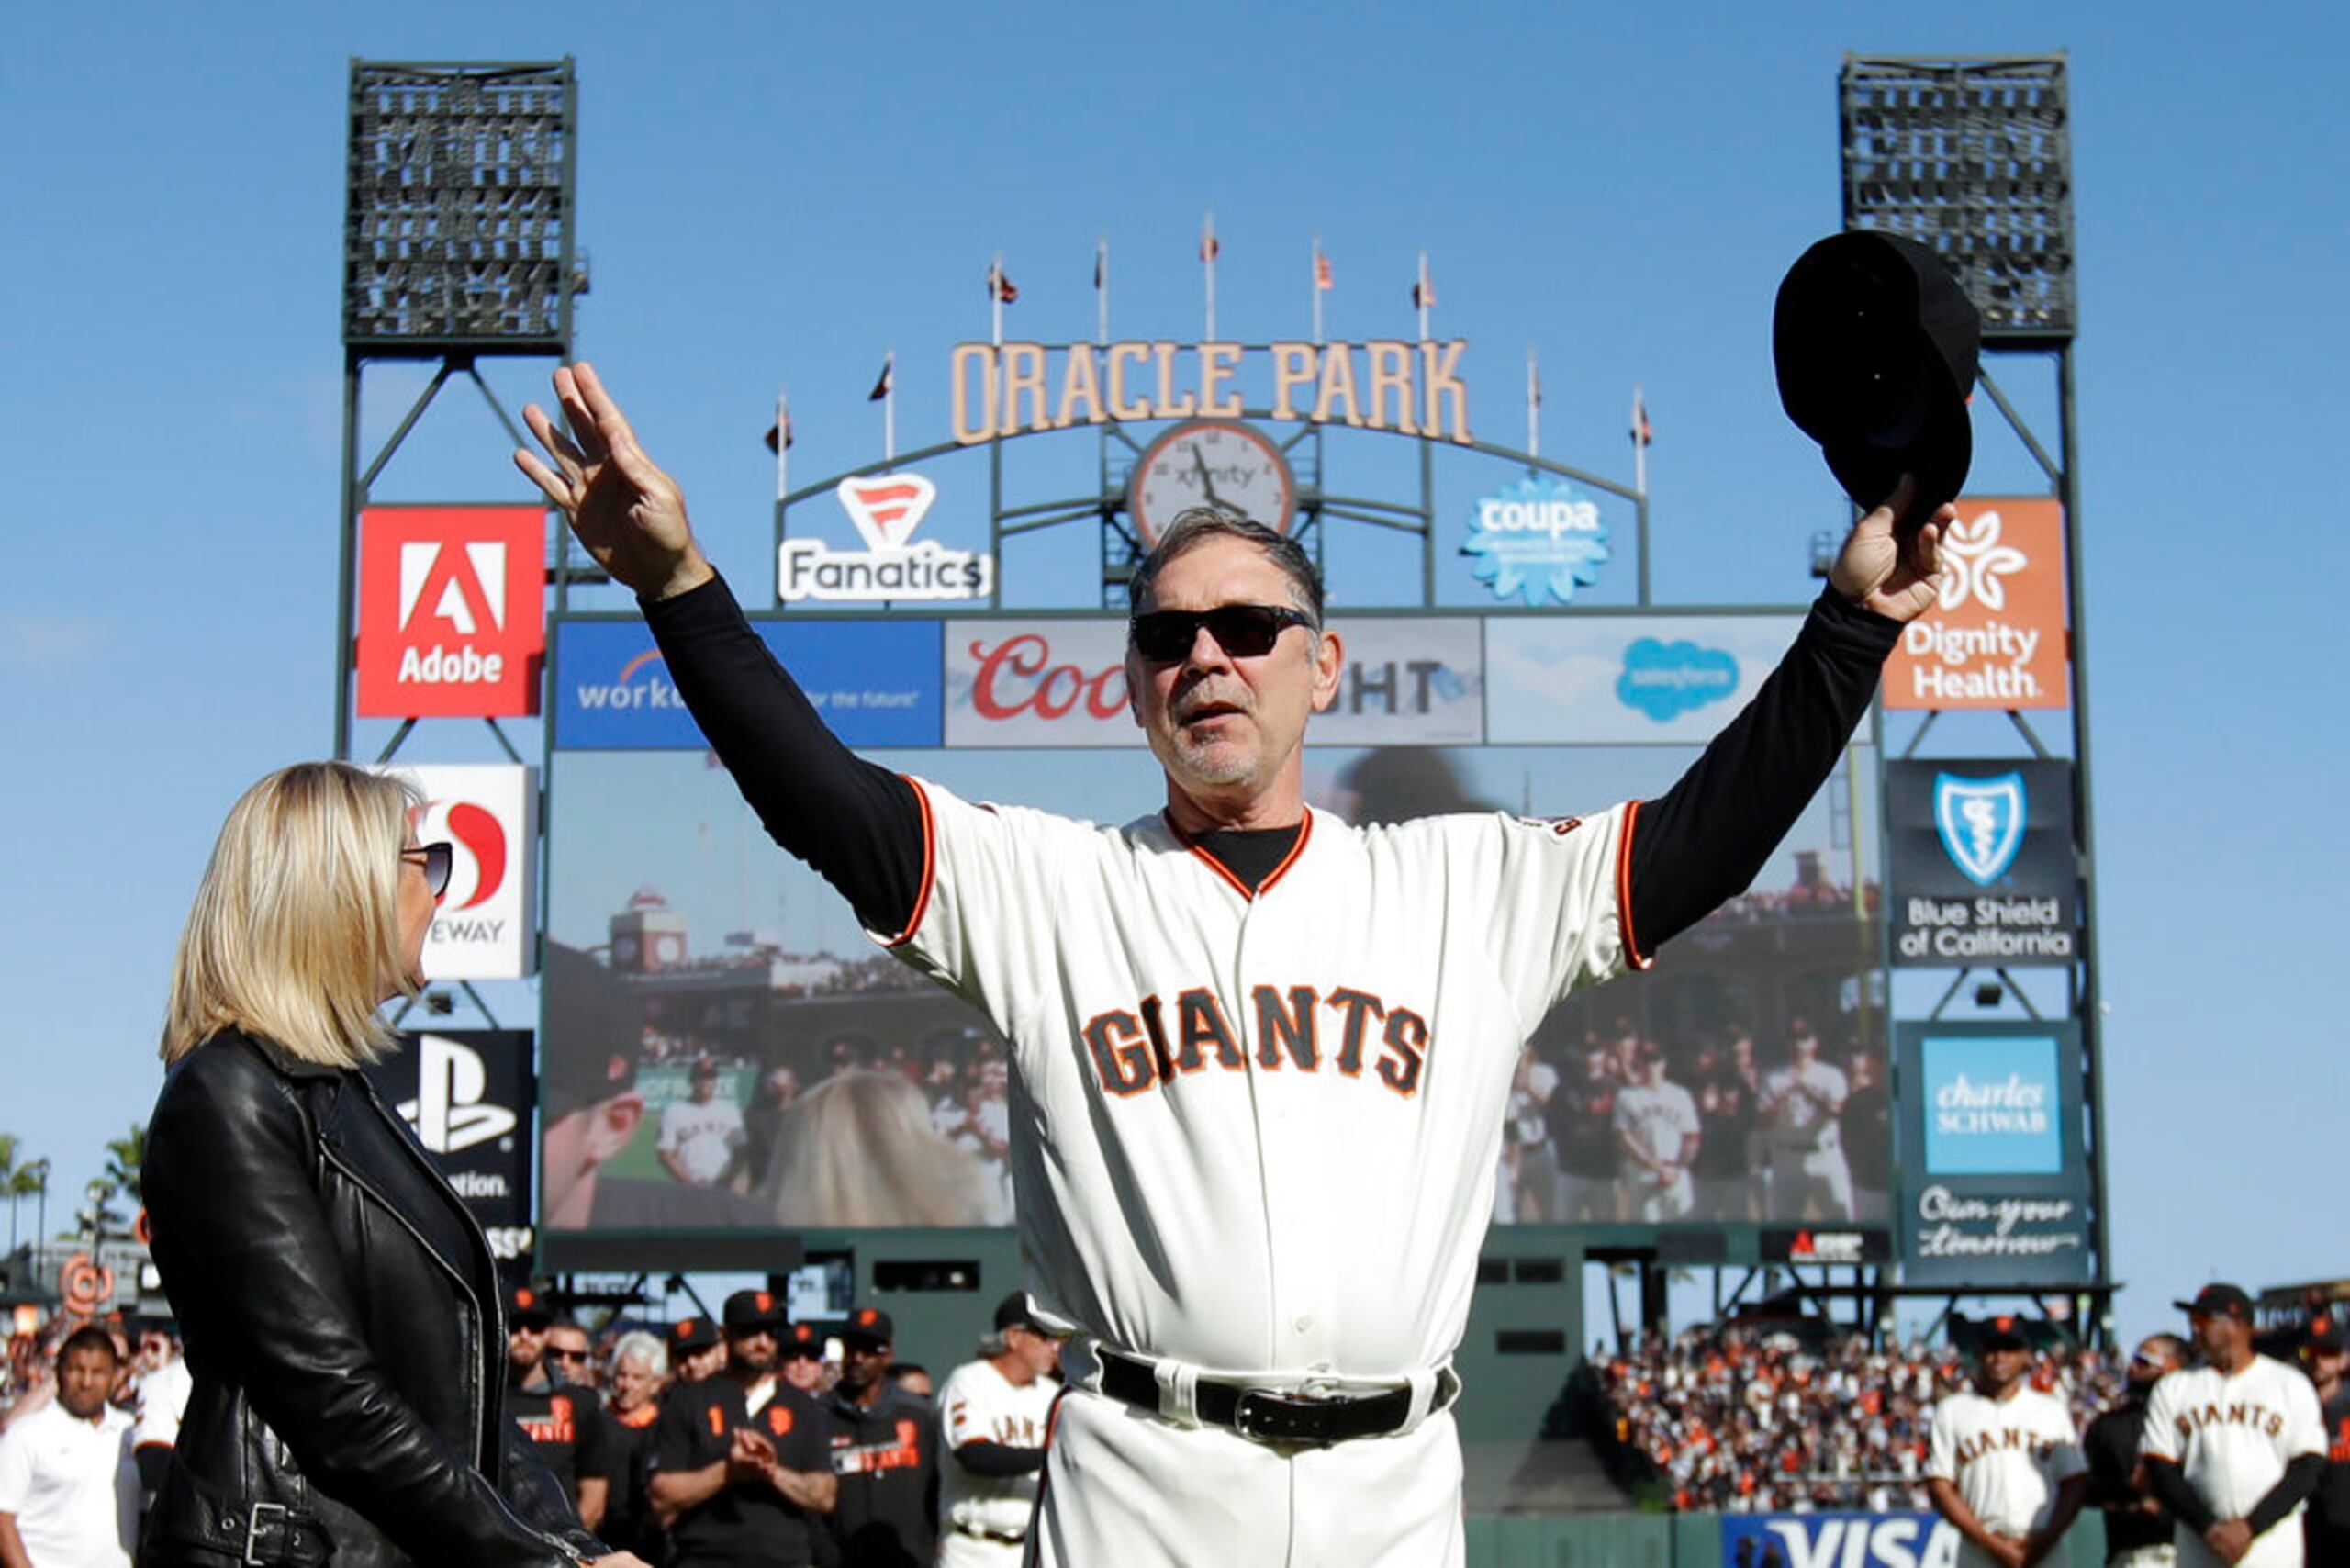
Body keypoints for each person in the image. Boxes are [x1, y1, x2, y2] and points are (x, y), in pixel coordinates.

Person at [518, 360, 1953, 1565]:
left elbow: (1710, 837)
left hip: (1393, 1495)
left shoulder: (1466, 882)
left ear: (1320, 666)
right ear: (1137, 683)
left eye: (1249, 626)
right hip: (1145, 1480)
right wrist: (682, 588)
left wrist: (1850, 629)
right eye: (1167, 634)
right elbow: (820, 797)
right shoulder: (1053, 887)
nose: (1207, 652)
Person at [140, 761, 633, 1566]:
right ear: (341, 892)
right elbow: (336, 1401)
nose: (440, 893)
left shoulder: (338, 1094)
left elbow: (459, 1390)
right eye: (424, 863)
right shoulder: (230, 1095)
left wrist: (571, 1543)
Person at [541, 944, 770, 1231]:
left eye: (533, 1116)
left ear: (612, 1126)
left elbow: (740, 1153)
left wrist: (728, 1187)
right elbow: (667, 1154)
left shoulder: (736, 1229)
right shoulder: (677, 1112)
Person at [2142, 1284, 2325, 1568]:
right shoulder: (2173, 1387)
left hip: (2271, 1547)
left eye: (2204, 1320)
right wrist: (2209, 1528)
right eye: (2193, 1321)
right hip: (2200, 1547)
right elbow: (2160, 1468)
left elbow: (2307, 1468)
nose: (2195, 1329)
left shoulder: (2288, 1384)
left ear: (2238, 1324)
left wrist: (2251, 1526)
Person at [651, 1292, 834, 1567]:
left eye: (771, 1332)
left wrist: (770, 1470)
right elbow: (661, 1495)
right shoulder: (689, 1400)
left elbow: (824, 1494)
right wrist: (728, 1471)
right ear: (727, 1334)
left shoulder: (804, 1408)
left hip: (784, 1560)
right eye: (751, 1332)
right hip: (704, 1558)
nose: (763, 1342)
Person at [1925, 1327, 2089, 1568]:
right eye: (1992, 1349)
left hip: (2042, 1543)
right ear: (1979, 1354)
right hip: (1980, 1547)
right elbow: (1940, 1486)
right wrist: (1990, 1543)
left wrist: (2044, 1539)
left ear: (2026, 1355)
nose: (1999, 1357)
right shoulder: (1952, 1410)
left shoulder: (2049, 1409)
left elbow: (2075, 1481)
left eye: (2010, 1349)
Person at [934, 1294, 1061, 1568]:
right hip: (973, 1547)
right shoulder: (969, 1381)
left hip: (1031, 1547)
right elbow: (975, 1455)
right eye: (1046, 1337)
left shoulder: (1051, 1393)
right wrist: (1052, 1455)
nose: (1055, 1347)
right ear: (1015, 1337)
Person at [0, 1327, 138, 1568]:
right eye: (76, 1370)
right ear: (59, 1372)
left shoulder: (131, 1432)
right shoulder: (27, 1434)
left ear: (115, 1375)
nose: (86, 1382)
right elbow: (3, 1518)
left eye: (97, 1372)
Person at [822, 1310, 938, 1568]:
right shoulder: (820, 1415)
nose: (858, 1358)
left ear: (888, 1355)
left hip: (909, 1559)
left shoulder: (918, 1414)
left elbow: (937, 1488)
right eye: (851, 1348)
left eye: (869, 1350)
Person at [511, 1299, 618, 1532]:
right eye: (515, 1327)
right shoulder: (485, 1396)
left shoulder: (582, 1403)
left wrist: (571, 1550)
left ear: (547, 1334)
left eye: (535, 1328)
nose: (525, 1335)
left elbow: (594, 1493)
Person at [2086, 1333, 2188, 1567]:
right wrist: (2129, 1494)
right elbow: (2089, 1489)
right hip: (2132, 1550)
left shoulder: (2197, 1419)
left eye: (2144, 1361)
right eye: (2134, 1359)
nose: (2132, 1367)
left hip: (2191, 1547)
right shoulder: (2109, 1424)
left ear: (2171, 1367)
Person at [1756, 1022, 1855, 1220]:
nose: (1798, 1044)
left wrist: (1810, 1092)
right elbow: (1763, 1122)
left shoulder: (1830, 1075)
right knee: (1783, 1227)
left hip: (1824, 1155)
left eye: (1804, 1039)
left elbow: (1838, 1112)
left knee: (1842, 1220)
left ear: (1814, 1043)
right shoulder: (1773, 1077)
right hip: (1787, 1157)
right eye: (1794, 1038)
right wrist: (1781, 1098)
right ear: (1787, 1043)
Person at [597, 1331, 671, 1566]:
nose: (627, 1385)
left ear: (656, 1383)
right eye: (622, 1375)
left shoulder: (667, 1427)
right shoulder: (597, 1420)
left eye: (638, 1378)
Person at [1612, 1041, 1701, 1222]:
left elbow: (1692, 1137)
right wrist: (1654, 1166)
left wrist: (1675, 1169)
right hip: (1642, 1172)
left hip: (1676, 1171)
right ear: (1639, 1065)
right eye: (1646, 1062)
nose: (1651, 1067)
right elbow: (1624, 1136)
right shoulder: (1627, 1096)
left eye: (1655, 1061)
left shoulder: (1680, 1095)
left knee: (1682, 1229)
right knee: (1646, 1234)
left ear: (1663, 1064)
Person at [2299, 1315, 2350, 1564]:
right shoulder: (2288, 1409)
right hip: (2307, 1538)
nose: (2319, 1360)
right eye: (2311, 1351)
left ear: (2343, 1358)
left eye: (2328, 1352)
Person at [656, 1059, 745, 1188]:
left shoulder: (729, 1110)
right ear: (692, 1080)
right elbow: (665, 1155)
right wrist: (691, 1182)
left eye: (711, 1078)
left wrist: (730, 1178)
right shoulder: (674, 1111)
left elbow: (741, 1149)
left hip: (723, 1184)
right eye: (702, 1077)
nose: (707, 1082)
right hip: (688, 1187)